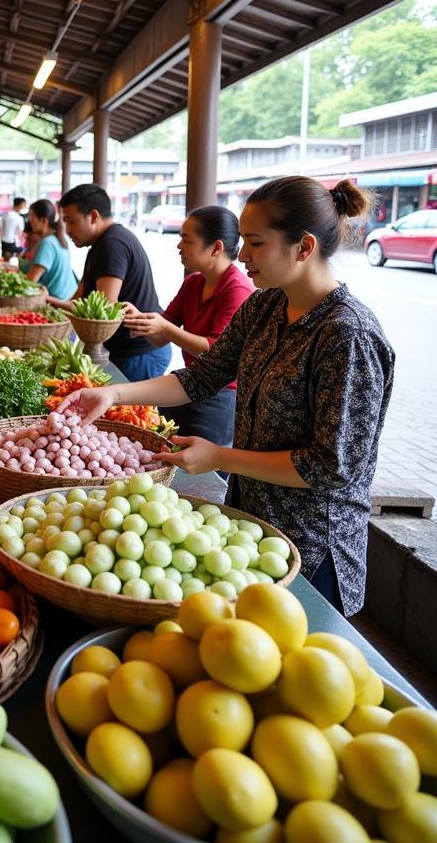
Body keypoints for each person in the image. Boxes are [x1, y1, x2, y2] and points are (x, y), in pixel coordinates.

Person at [59, 177, 394, 615]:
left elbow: (331, 466)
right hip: (249, 527)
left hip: (315, 546)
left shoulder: (348, 335)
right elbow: (201, 378)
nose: (244, 254)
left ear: (304, 247)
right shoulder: (264, 307)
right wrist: (111, 394)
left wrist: (220, 458)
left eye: (255, 243)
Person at [121, 206, 255, 449]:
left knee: (201, 475)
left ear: (215, 248)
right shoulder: (193, 282)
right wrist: (140, 321)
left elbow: (215, 353)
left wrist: (166, 328)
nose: (179, 246)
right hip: (188, 386)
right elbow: (161, 338)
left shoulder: (237, 289)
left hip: (222, 397)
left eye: (186, 240)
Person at [56, 182, 171, 380]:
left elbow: (104, 311)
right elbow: (77, 302)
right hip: (127, 350)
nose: (67, 229)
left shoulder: (112, 244)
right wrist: (47, 302)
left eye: (71, 221)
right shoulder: (99, 246)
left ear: (93, 217)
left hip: (140, 351)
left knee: (130, 411)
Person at [23, 199, 77, 302]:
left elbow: (30, 281)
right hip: (67, 298)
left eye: (32, 215)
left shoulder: (47, 243)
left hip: (56, 302)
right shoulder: (58, 239)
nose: (29, 220)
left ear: (44, 220)